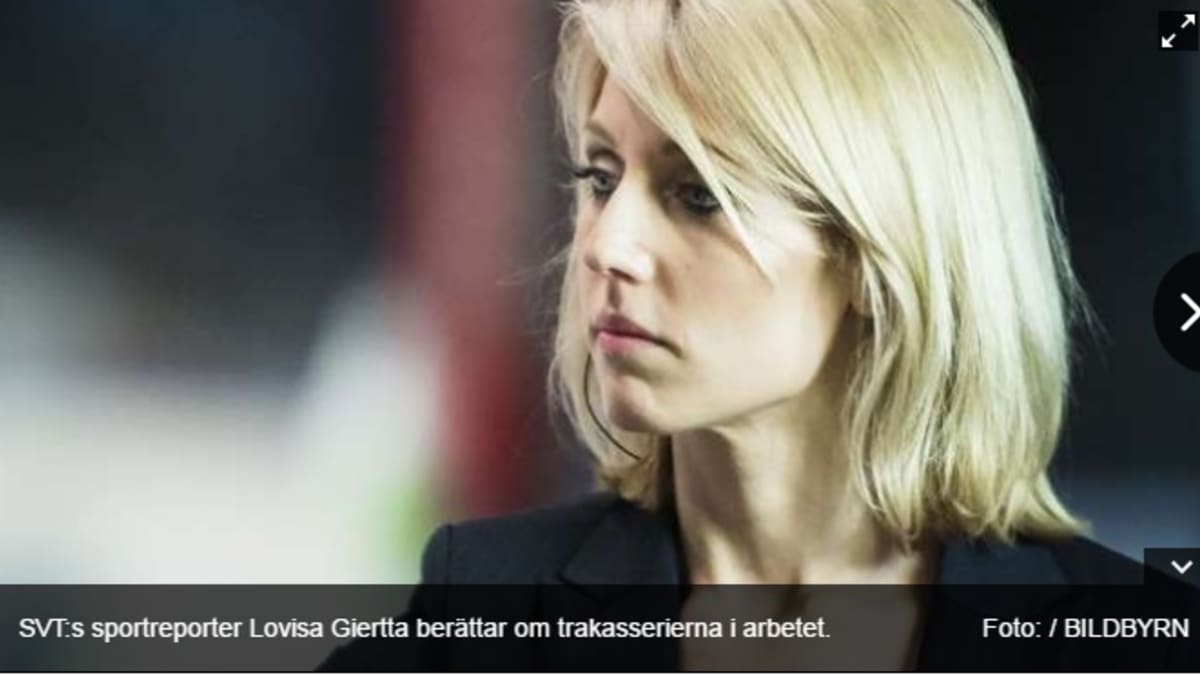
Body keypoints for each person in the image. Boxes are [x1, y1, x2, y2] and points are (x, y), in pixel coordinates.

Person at [321, 0, 1199, 670]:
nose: (607, 245)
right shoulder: (489, 608)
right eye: (601, 175)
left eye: (698, 194)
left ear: (880, 256)